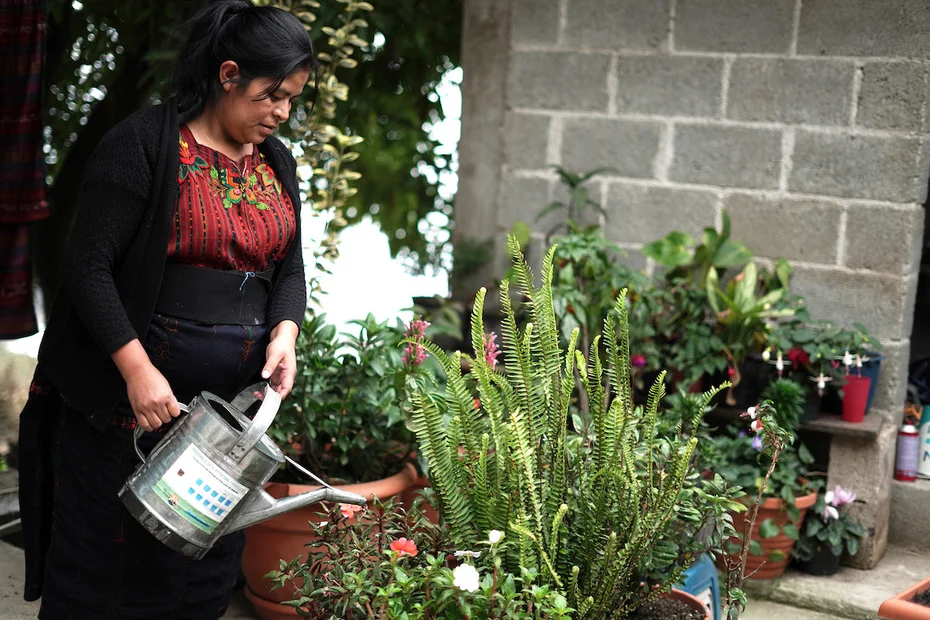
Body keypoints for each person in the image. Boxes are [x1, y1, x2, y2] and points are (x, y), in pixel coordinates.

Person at [17, 1, 317, 617]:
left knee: (199, 575)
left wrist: (284, 332)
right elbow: (88, 268)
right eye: (273, 95)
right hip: (129, 415)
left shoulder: (276, 163)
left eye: (292, 99)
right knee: (103, 572)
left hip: (221, 429)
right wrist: (136, 371)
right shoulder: (144, 147)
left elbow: (289, 268)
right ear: (228, 74)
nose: (282, 113)